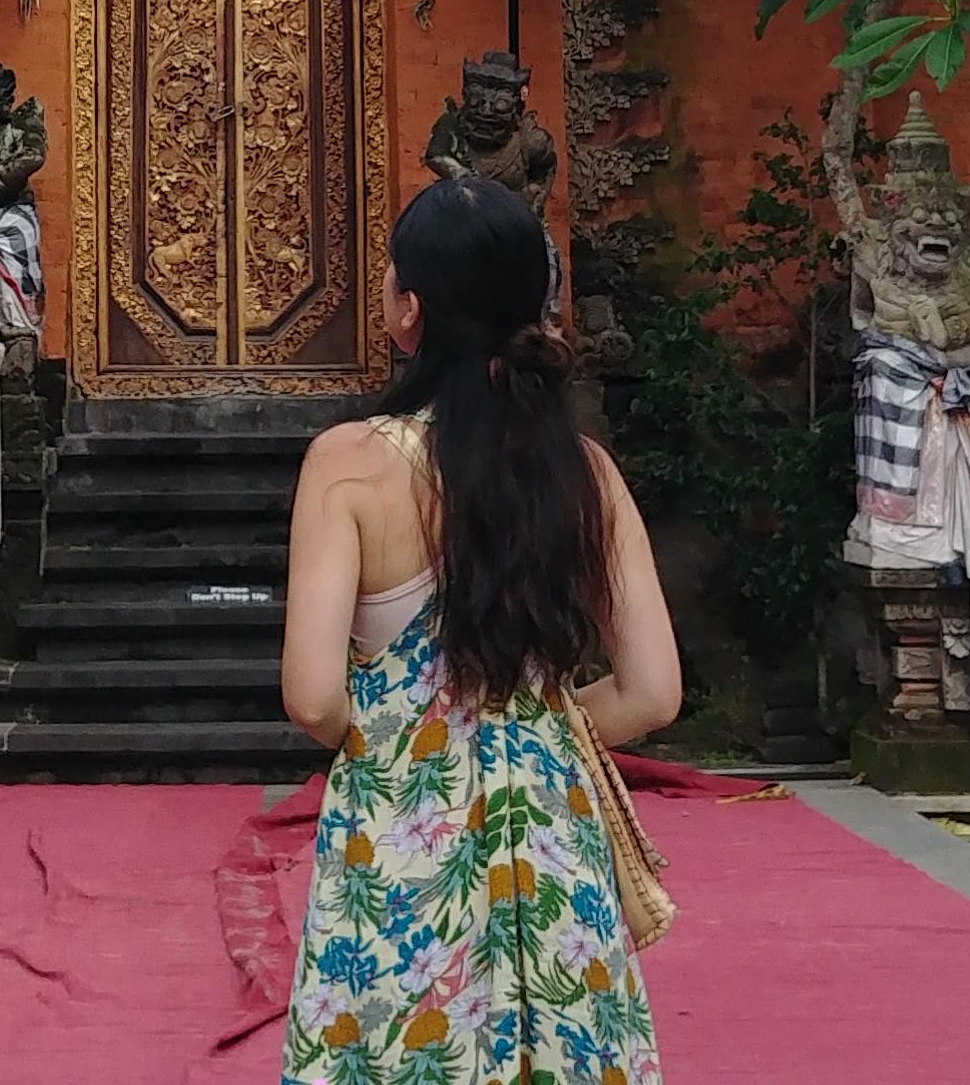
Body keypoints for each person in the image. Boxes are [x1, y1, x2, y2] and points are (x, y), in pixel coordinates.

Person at [277, 174, 681, 1083]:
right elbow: (653, 692)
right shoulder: (584, 473)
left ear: (407, 311)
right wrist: (536, 728)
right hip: (553, 844)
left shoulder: (348, 464)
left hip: (400, 841)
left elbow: (312, 696)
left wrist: (391, 740)